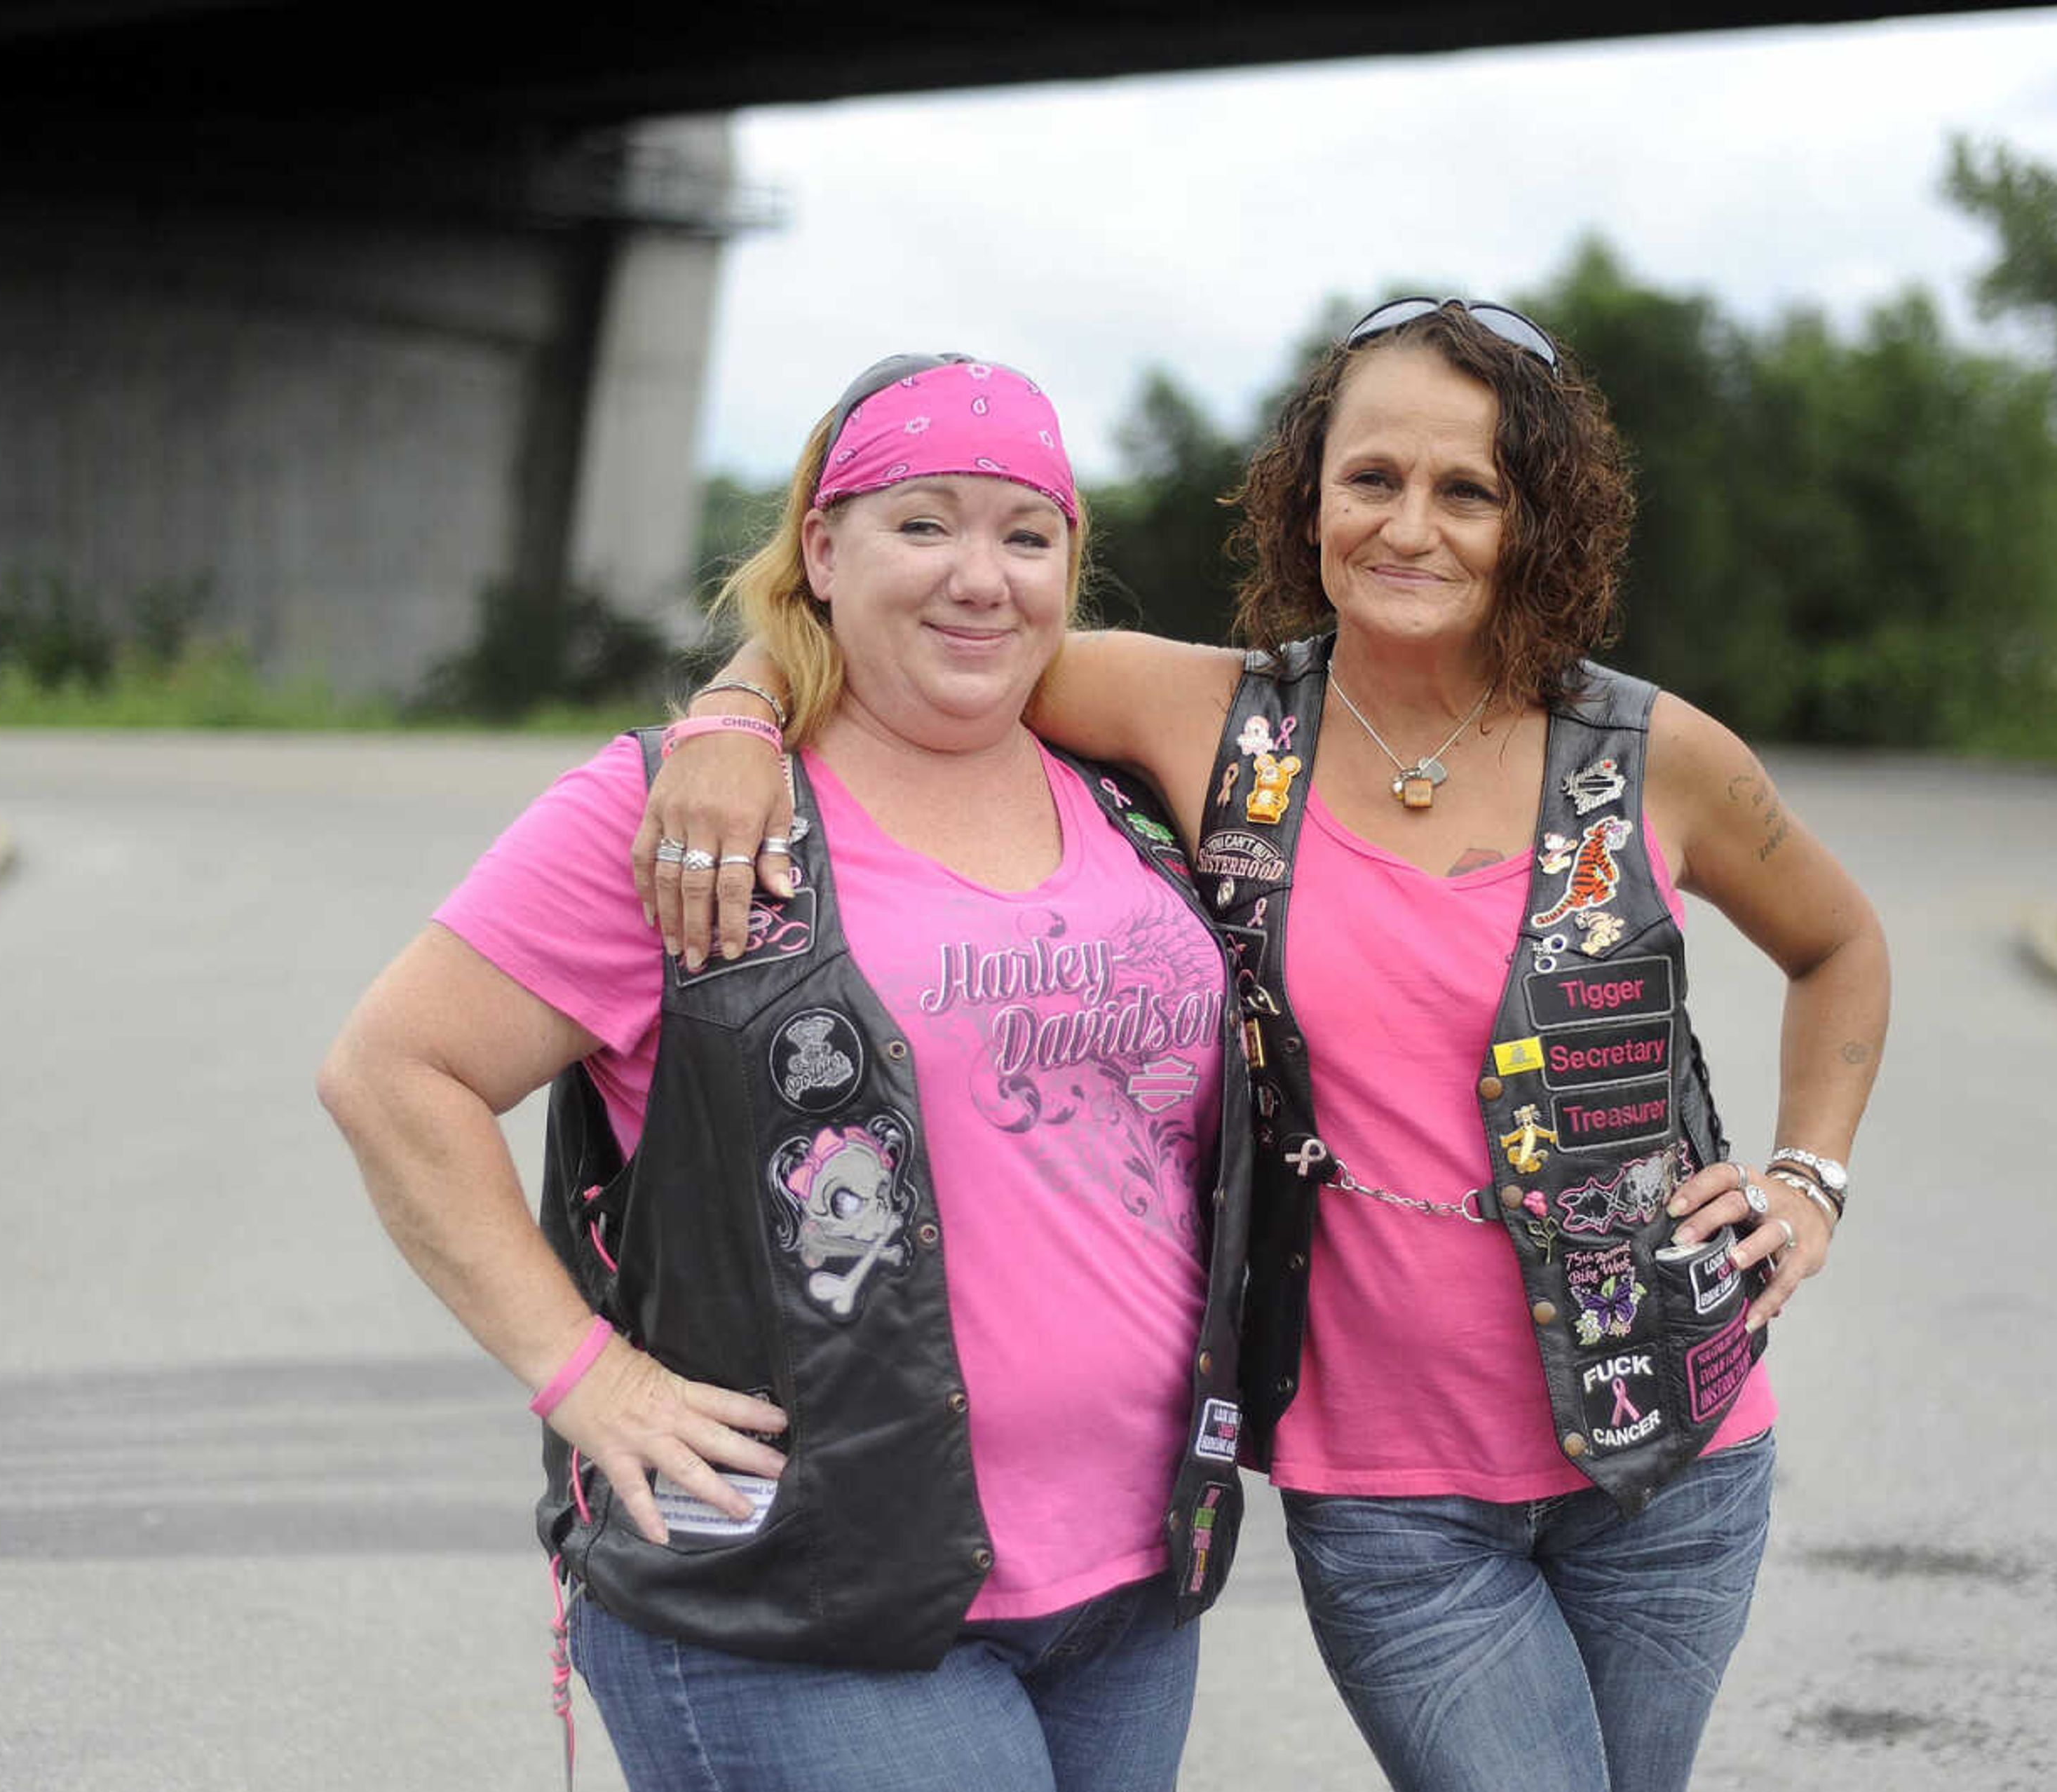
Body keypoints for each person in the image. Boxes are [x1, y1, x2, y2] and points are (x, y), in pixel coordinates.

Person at [637, 299, 1892, 1792]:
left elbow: (1841, 947)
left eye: (1467, 490)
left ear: (1535, 519)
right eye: (1372, 480)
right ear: (1312, 498)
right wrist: (731, 714)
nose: (1409, 526)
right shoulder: (1208, 718)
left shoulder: (1646, 753)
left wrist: (1808, 1179)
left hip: (1678, 1445)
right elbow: (930, 632)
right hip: (1395, 1491)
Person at [317, 351, 1256, 1792]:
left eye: (1026, 533)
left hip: (1127, 1586)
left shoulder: (1124, 798)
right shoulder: (683, 816)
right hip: (800, 1603)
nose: (979, 576)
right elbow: (394, 1072)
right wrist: (582, 1374)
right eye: (922, 524)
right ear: (822, 548)